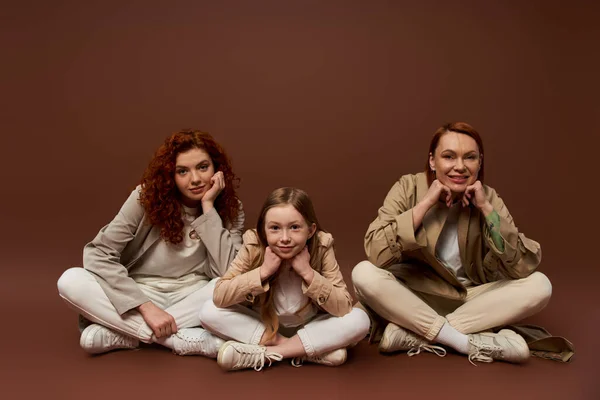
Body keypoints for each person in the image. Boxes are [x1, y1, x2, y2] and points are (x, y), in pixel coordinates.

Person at [352, 122, 553, 365]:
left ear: (480, 163)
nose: (460, 166)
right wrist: (424, 204)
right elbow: (376, 252)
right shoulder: (407, 187)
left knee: (541, 285)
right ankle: (462, 341)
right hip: (415, 295)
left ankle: (418, 334)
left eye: (470, 157)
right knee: (363, 273)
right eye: (449, 156)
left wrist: (487, 210)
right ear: (432, 161)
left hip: (469, 298)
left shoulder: (488, 197)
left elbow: (521, 266)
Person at [57, 129, 244, 357]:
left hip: (193, 295)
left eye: (203, 167)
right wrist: (146, 307)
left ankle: (127, 335)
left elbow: (231, 272)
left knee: (234, 288)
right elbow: (98, 253)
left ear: (217, 169)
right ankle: (177, 340)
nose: (195, 179)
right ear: (170, 175)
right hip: (140, 293)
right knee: (70, 280)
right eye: (182, 171)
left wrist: (208, 208)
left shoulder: (230, 208)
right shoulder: (144, 199)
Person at [199, 187, 370, 371]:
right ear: (264, 231)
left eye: (295, 227)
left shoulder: (321, 245)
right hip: (264, 327)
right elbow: (220, 295)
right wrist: (262, 272)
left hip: (311, 327)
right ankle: (305, 351)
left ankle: (266, 354)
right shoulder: (253, 243)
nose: (285, 238)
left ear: (311, 230)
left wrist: (308, 274)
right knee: (207, 311)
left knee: (360, 319)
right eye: (274, 228)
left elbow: (343, 306)